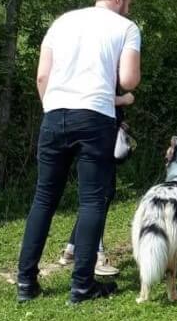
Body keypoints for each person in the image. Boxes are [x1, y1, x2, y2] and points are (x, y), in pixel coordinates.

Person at [16, 0, 141, 304]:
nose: (128, 9)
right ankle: (82, 286)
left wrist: (51, 108)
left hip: (54, 114)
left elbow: (42, 75)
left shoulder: (61, 22)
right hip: (95, 118)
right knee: (92, 200)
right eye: (127, 3)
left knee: (44, 198)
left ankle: (26, 283)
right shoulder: (125, 28)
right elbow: (128, 79)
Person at [57, 89, 135, 276]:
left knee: (100, 194)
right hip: (99, 132)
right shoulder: (102, 64)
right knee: (100, 196)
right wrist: (124, 99)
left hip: (101, 128)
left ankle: (72, 249)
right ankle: (96, 255)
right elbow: (95, 96)